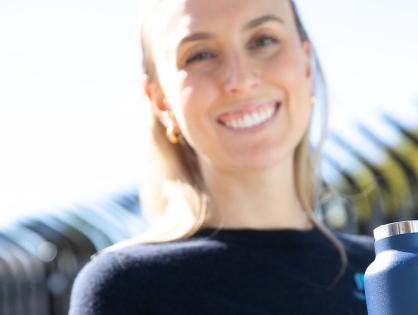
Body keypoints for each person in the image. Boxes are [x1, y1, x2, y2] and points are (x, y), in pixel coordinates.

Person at [69, 0, 375, 314]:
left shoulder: (391, 271)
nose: (240, 80)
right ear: (161, 101)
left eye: (263, 40)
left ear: (306, 63)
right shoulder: (129, 289)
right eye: (200, 55)